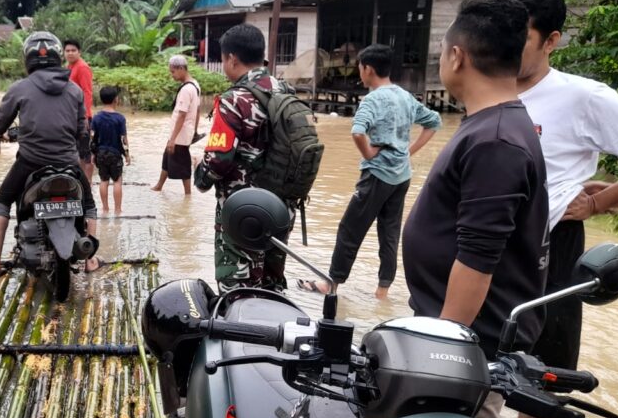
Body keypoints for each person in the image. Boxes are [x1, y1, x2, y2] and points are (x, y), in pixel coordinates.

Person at [402, 0, 549, 418]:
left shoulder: (496, 141)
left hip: (468, 352)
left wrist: (440, 354)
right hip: (457, 335)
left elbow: (478, 260)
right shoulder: (492, 124)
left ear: (457, 56)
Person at [509, 0, 618, 418]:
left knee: (547, 366)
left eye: (520, 38)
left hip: (555, 246)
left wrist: (605, 202)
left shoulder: (583, 97)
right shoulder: (487, 89)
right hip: (491, 241)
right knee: (474, 348)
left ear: (551, 41)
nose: (505, 47)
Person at [298, 44, 441, 300]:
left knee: (349, 230)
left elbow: (357, 131)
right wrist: (408, 152)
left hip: (377, 175)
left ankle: (331, 285)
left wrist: (368, 154)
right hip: (402, 177)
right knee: (390, 233)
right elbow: (434, 122)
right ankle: (382, 291)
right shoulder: (404, 96)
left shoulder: (373, 99)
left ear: (368, 69)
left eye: (360, 68)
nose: (359, 73)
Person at [0, 32, 101, 276]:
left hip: (30, 163)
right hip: (68, 162)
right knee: (89, 205)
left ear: (27, 59)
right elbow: (82, 130)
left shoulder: (19, 88)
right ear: (58, 57)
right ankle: (91, 261)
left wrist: (0, 132)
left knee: (2, 201)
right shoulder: (74, 90)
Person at [194, 23, 293, 291]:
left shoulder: (233, 99)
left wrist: (199, 176)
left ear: (232, 58)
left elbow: (218, 160)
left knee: (237, 290)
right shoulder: (286, 91)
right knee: (271, 286)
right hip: (281, 209)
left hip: (243, 211)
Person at [152, 55, 201, 195]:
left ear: (181, 68)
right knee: (167, 157)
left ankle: (188, 194)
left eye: (173, 72)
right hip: (184, 131)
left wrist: (173, 139)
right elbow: (197, 110)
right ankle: (159, 186)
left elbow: (182, 114)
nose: (172, 75)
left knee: (183, 164)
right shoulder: (195, 85)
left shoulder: (186, 90)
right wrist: (195, 130)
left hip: (180, 133)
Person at [91, 86, 131, 213]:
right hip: (115, 153)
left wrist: (93, 154)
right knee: (117, 181)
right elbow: (124, 139)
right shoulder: (120, 118)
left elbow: (92, 138)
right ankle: (118, 210)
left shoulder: (96, 118)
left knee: (103, 181)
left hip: (101, 153)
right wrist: (127, 154)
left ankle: (105, 208)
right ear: (116, 100)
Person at [65, 39, 95, 180]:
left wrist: (86, 115)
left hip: (82, 117)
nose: (70, 53)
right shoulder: (69, 67)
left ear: (79, 52)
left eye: (73, 50)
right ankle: (79, 180)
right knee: (76, 150)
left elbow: (87, 92)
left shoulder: (82, 67)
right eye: (67, 51)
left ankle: (87, 183)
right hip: (71, 115)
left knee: (85, 152)